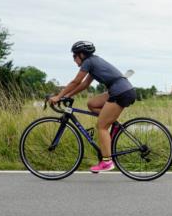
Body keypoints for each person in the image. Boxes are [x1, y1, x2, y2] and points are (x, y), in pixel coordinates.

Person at [48, 41, 137, 173]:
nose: (74, 59)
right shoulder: (93, 62)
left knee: (101, 126)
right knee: (92, 104)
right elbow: (84, 84)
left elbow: (76, 81)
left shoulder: (88, 62)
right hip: (122, 90)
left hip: (120, 92)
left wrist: (58, 96)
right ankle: (112, 121)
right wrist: (67, 96)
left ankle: (107, 162)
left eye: (74, 56)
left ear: (82, 55)